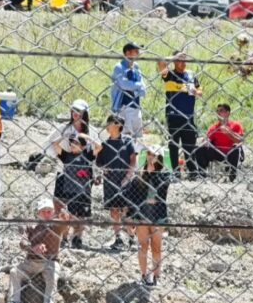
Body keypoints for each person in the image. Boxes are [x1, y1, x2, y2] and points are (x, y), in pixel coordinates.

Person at [7, 197, 70, 303]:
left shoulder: (57, 225)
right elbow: (22, 243)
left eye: (49, 211)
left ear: (53, 212)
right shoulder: (31, 226)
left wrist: (65, 217)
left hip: (50, 261)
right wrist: (33, 248)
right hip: (31, 262)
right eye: (43, 211)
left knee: (52, 276)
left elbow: (65, 225)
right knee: (14, 272)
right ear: (38, 213)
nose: (47, 214)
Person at [47, 99, 95, 249]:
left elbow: (97, 151)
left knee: (80, 208)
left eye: (79, 111)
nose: (75, 113)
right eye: (73, 110)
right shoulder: (64, 128)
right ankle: (62, 236)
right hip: (64, 169)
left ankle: (77, 237)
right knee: (60, 205)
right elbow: (49, 143)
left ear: (85, 113)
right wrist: (62, 152)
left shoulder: (91, 131)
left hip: (83, 175)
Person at [125, 145, 171, 287]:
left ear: (159, 158)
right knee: (143, 246)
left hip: (158, 216)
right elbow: (132, 197)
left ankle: (157, 276)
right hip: (142, 216)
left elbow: (160, 192)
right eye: (149, 154)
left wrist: (151, 174)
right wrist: (130, 217)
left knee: (156, 247)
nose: (151, 157)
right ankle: (144, 275)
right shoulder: (139, 175)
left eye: (154, 155)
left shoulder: (164, 175)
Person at [93, 113, 137, 252]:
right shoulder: (105, 144)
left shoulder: (127, 141)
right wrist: (103, 168)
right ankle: (118, 238)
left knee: (126, 211)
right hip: (110, 181)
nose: (107, 125)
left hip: (125, 181)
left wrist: (128, 176)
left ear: (118, 125)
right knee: (114, 211)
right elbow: (99, 162)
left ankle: (132, 238)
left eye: (110, 123)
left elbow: (133, 160)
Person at [157, 52, 202, 176]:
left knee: (190, 145)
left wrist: (191, 90)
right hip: (173, 116)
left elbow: (200, 92)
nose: (183, 62)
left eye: (184, 60)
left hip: (188, 116)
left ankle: (193, 172)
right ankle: (175, 172)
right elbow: (160, 63)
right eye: (179, 60)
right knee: (173, 146)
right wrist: (173, 57)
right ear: (174, 62)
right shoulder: (170, 74)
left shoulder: (191, 74)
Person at [193, 104, 245, 181]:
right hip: (218, 152)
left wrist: (229, 133)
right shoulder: (214, 127)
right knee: (199, 149)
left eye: (221, 111)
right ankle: (202, 173)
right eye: (217, 111)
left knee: (236, 148)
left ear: (227, 113)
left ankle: (232, 173)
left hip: (231, 152)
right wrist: (205, 142)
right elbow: (207, 139)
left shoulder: (236, 125)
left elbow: (240, 140)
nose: (218, 113)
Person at [111, 42, 147, 138]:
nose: (138, 53)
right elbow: (124, 85)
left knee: (138, 135)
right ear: (127, 53)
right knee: (126, 135)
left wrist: (135, 88)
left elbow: (143, 88)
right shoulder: (119, 67)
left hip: (136, 106)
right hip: (124, 106)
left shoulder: (136, 67)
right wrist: (138, 87)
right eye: (136, 51)